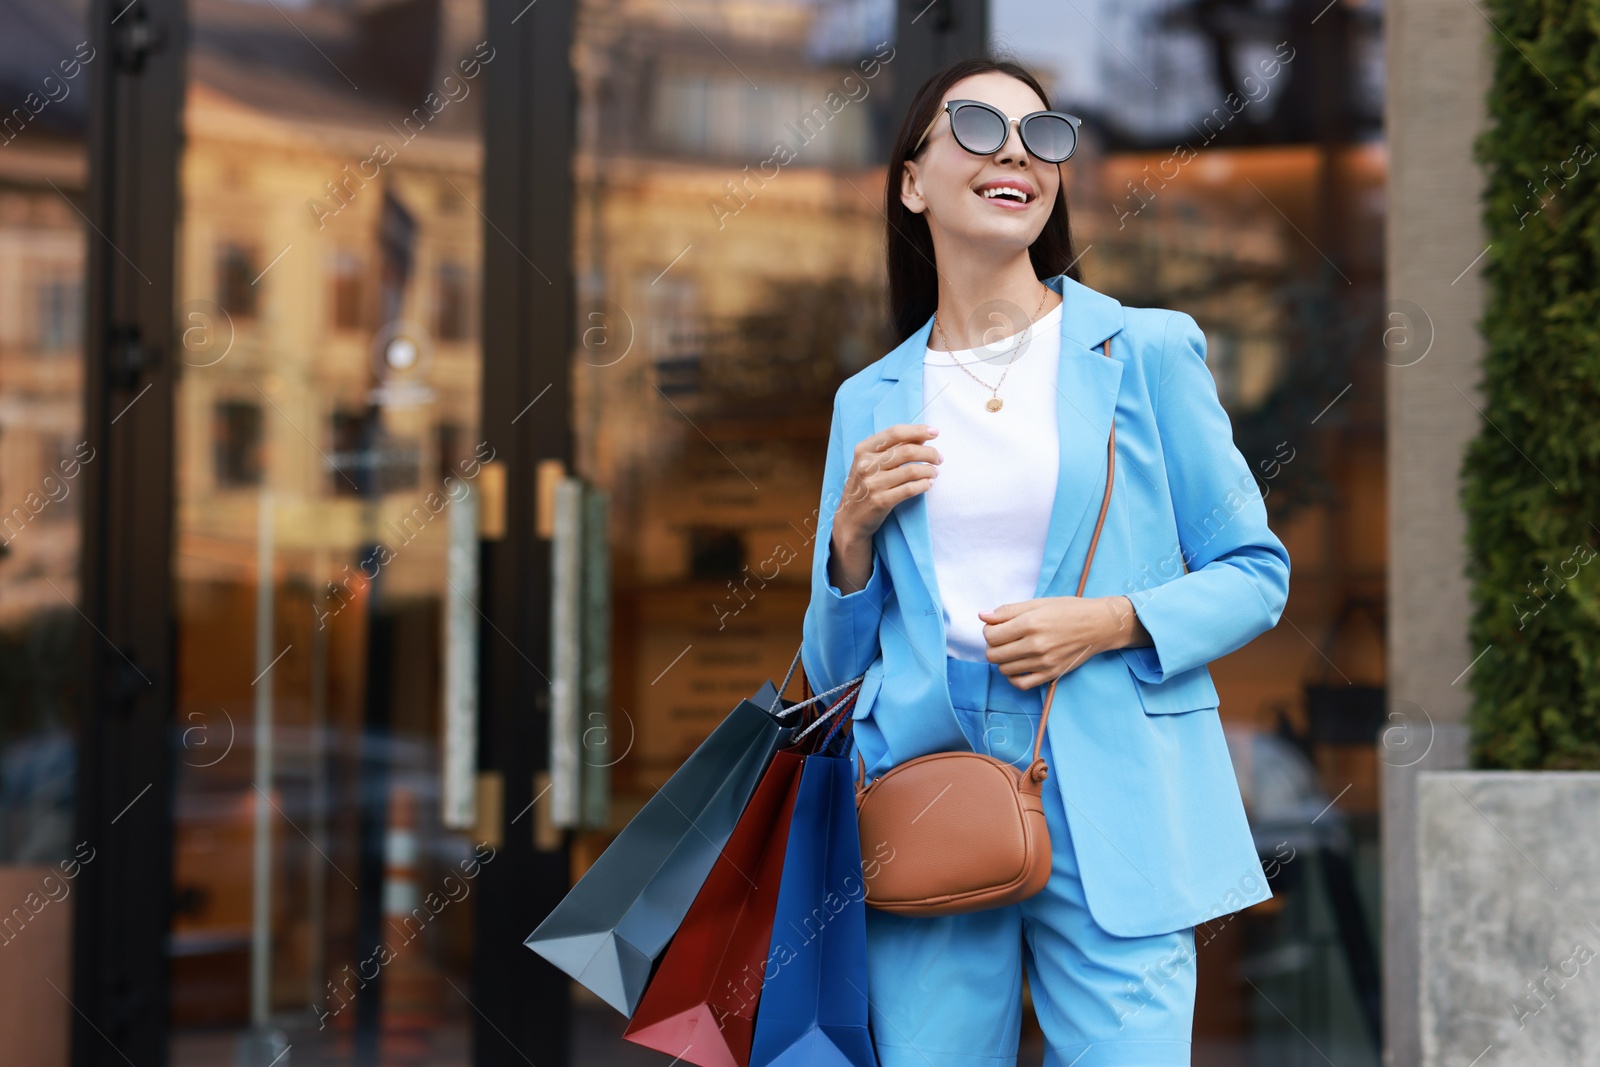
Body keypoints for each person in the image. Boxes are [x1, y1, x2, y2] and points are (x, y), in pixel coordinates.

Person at [800, 57, 1291, 1067]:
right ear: (910, 179)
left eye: (1042, 134)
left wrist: (1108, 619)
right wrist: (847, 542)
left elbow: (1254, 569)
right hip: (927, 783)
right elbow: (835, 666)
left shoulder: (1147, 351)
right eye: (977, 127)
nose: (1017, 148)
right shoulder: (872, 397)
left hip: (1115, 780)